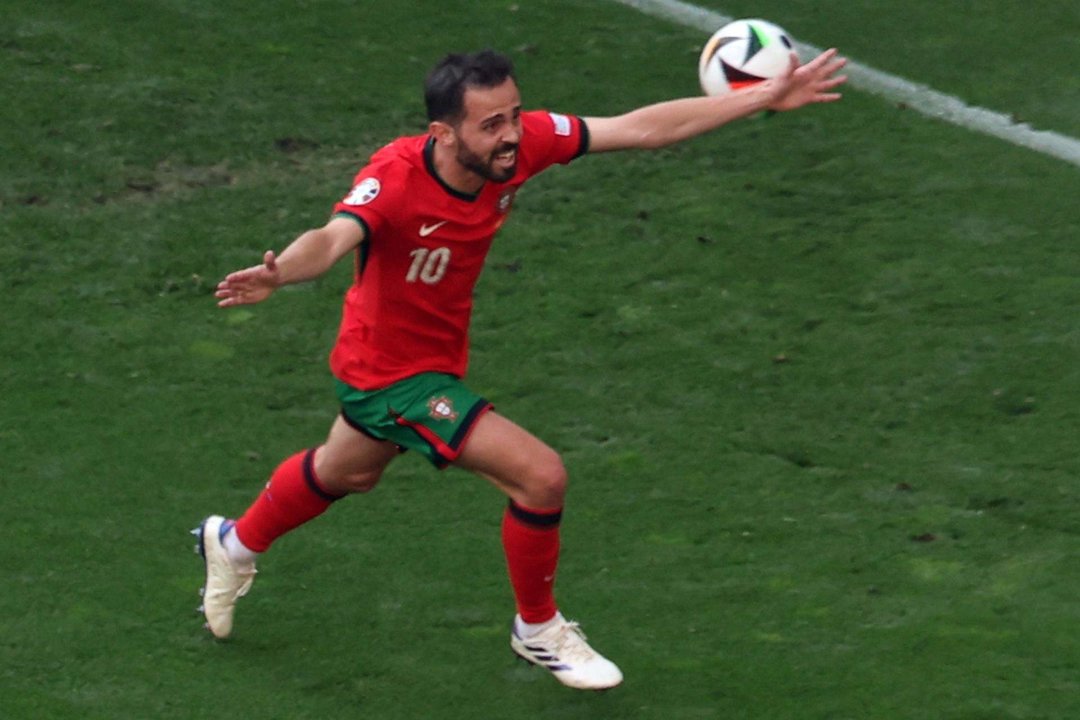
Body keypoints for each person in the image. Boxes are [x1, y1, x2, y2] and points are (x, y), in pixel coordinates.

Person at [196, 47, 847, 691]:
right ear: (442, 135)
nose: (511, 134)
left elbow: (640, 129)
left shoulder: (517, 145)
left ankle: (234, 543)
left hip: (435, 357)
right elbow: (335, 237)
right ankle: (538, 628)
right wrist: (282, 274)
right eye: (491, 124)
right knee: (541, 477)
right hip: (388, 375)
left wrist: (757, 96)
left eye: (514, 114)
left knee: (348, 473)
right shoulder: (396, 177)